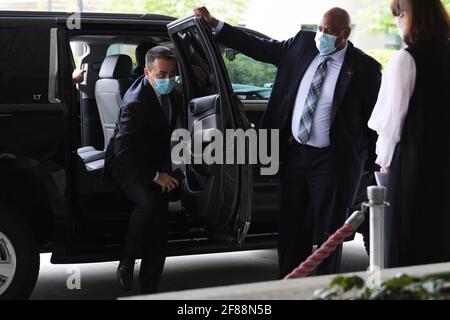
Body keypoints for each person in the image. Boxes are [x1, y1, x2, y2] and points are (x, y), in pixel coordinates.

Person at [195, 6, 381, 278]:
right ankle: (289, 286)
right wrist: (216, 24)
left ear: (346, 33)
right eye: (320, 28)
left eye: (329, 31)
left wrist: (372, 161)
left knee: (329, 233)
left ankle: (324, 290)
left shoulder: (364, 68)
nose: (322, 35)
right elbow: (258, 47)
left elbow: (374, 119)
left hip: (333, 162)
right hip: (295, 154)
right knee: (292, 229)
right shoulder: (302, 44)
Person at [368, 0, 450, 268]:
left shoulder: (406, 58)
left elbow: (392, 123)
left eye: (399, 14)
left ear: (411, 16)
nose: (398, 21)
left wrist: (383, 161)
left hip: (414, 165)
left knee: (407, 242)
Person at [104, 46, 182, 293]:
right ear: (147, 72)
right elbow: (124, 153)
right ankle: (127, 260)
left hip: (154, 164)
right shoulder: (135, 103)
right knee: (148, 204)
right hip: (127, 166)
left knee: (160, 230)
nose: (167, 80)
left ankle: (150, 290)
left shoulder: (172, 95)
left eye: (172, 74)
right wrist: (156, 176)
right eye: (161, 75)